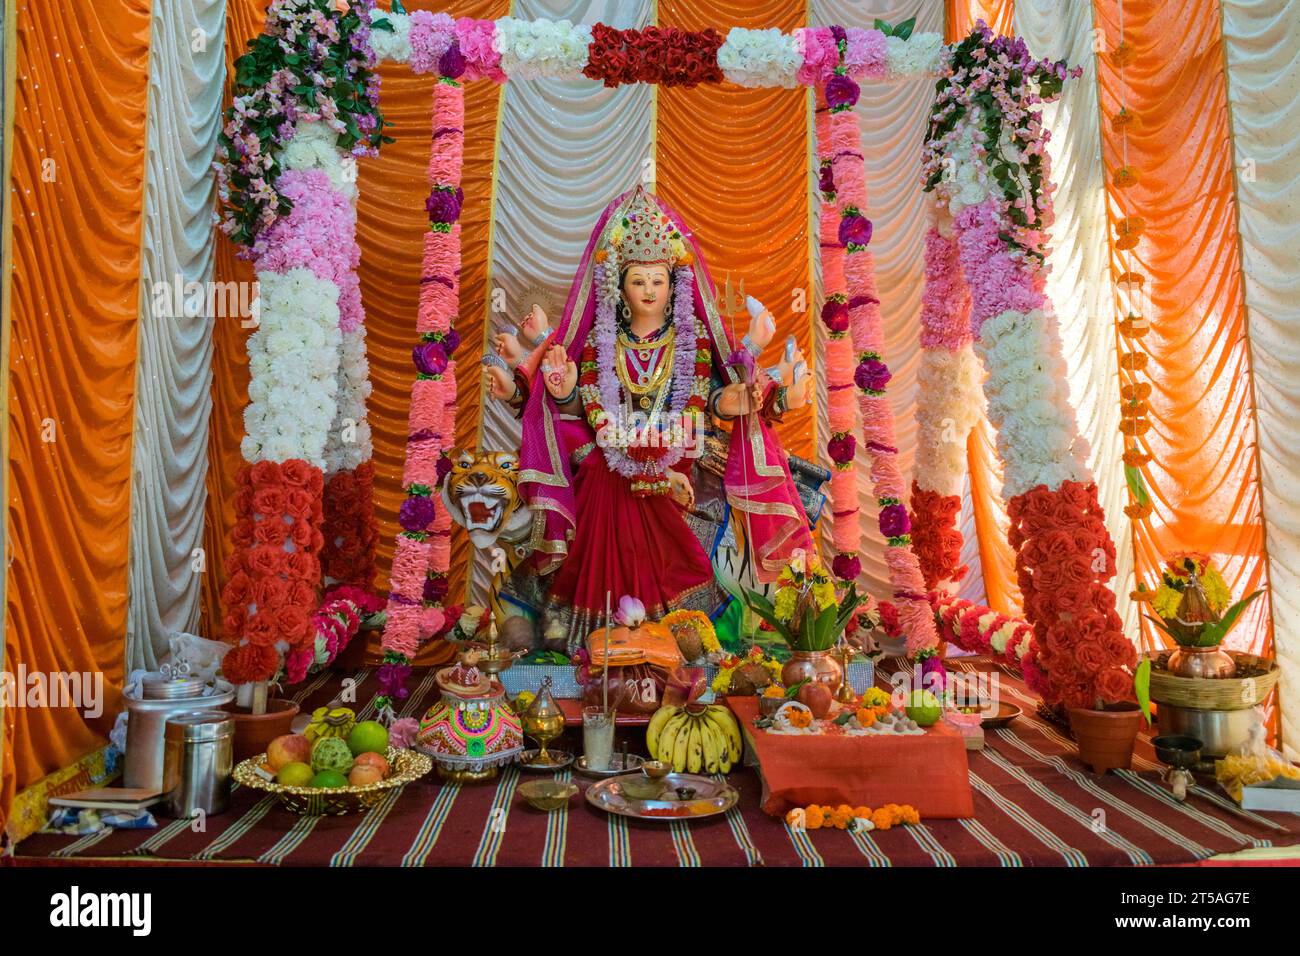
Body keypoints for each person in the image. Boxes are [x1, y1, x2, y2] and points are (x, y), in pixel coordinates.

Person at [483, 186, 814, 652]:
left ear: (673, 286)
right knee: (601, 474)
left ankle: (678, 635)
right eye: (638, 281)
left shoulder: (694, 336)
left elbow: (713, 394)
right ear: (620, 287)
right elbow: (582, 408)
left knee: (658, 491)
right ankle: (588, 630)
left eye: (658, 282)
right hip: (609, 455)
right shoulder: (603, 341)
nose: (649, 292)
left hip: (678, 455)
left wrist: (733, 403)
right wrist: (566, 390)